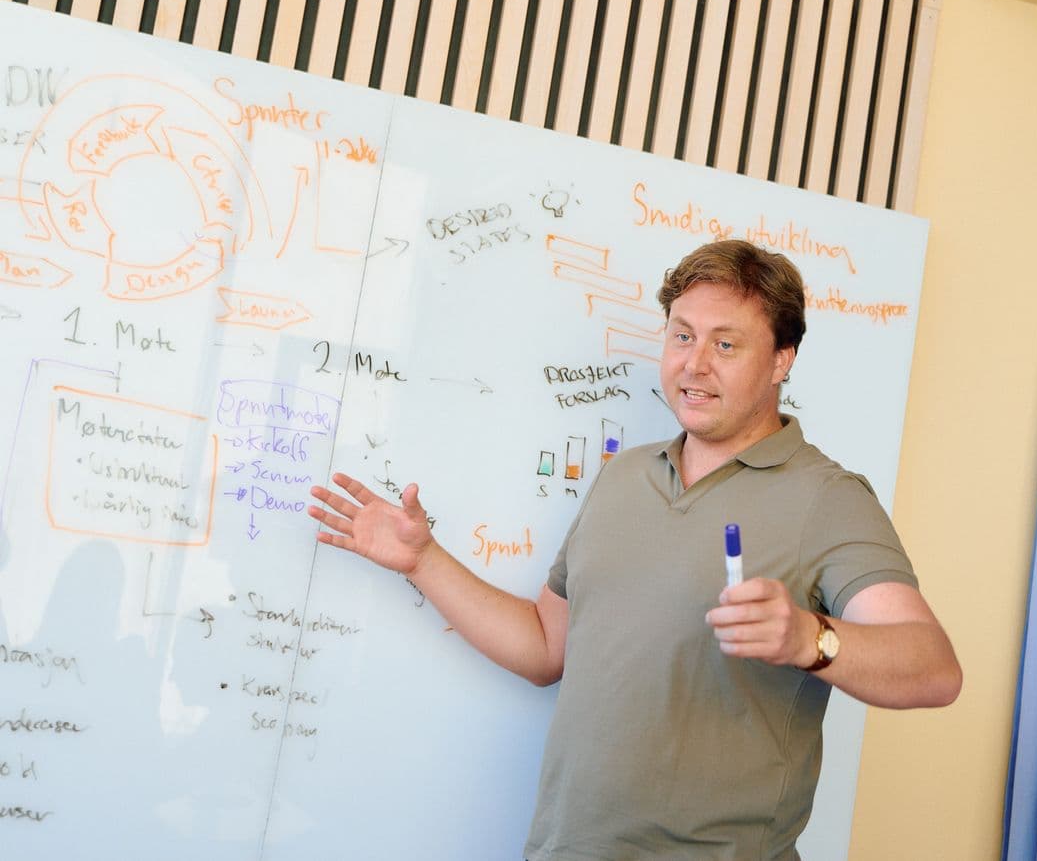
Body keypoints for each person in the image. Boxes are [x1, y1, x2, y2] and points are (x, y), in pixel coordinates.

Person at [308, 239, 961, 859]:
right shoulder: (623, 475)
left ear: (781, 360)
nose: (694, 364)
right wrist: (423, 559)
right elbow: (545, 647)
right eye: (682, 336)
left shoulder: (827, 497)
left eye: (725, 343)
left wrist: (808, 638)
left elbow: (934, 668)